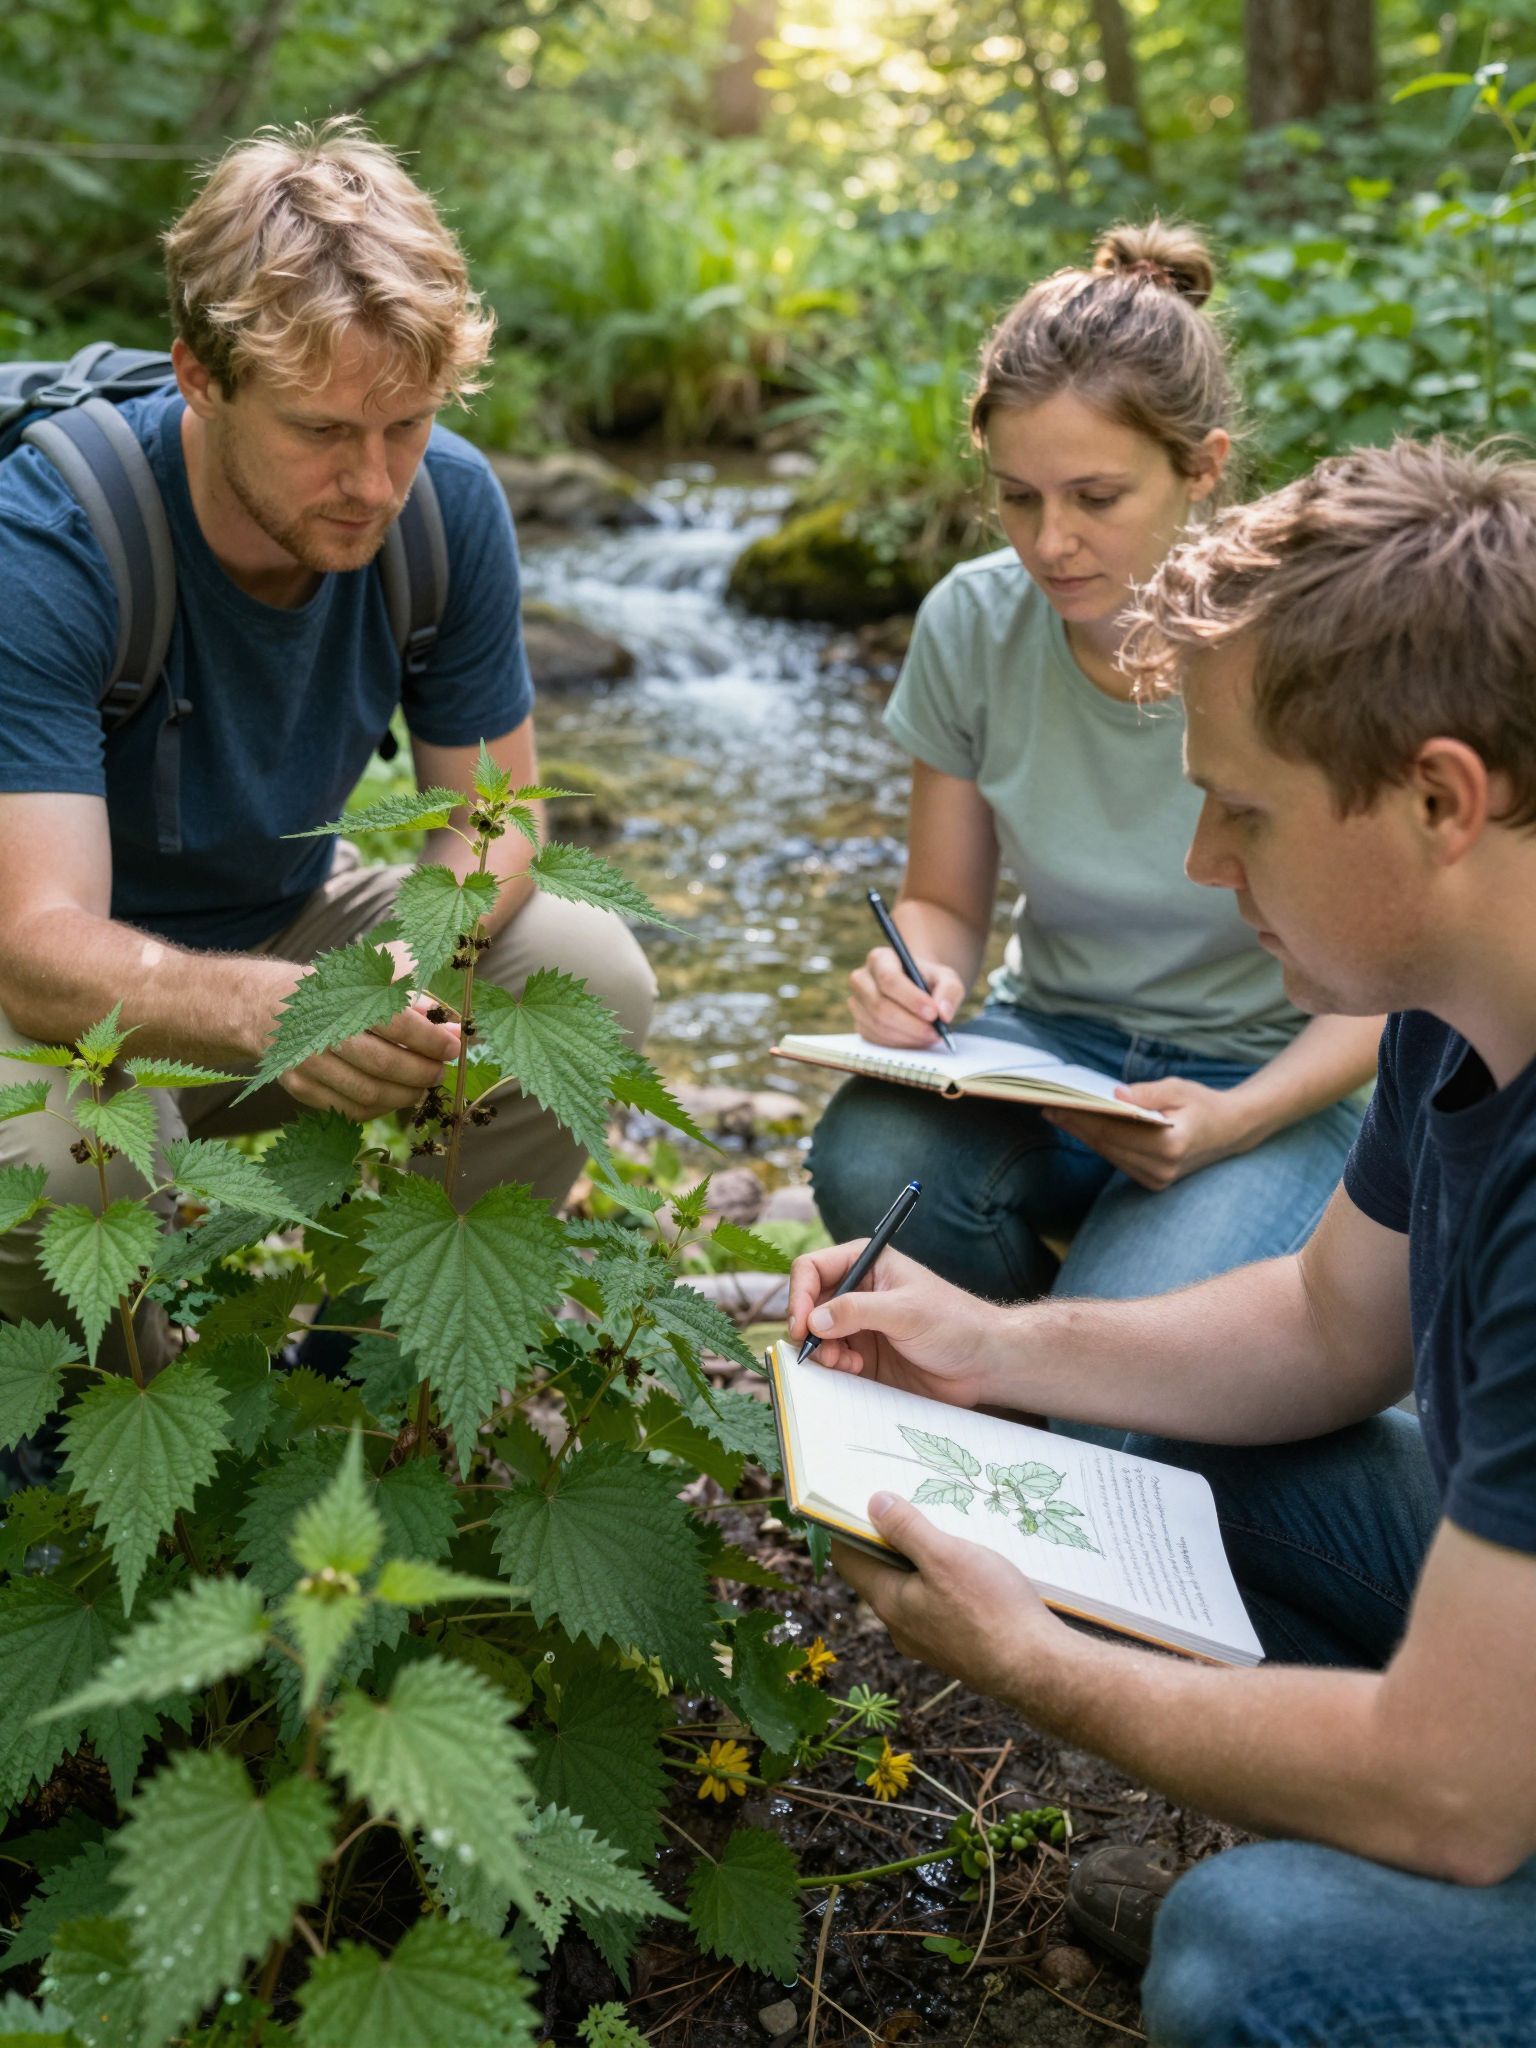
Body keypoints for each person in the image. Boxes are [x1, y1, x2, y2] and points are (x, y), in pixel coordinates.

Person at [788, 438, 1536, 2046]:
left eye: (1242, 812)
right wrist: (990, 1345)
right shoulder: (1452, 1006)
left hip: (1492, 1758)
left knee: (1250, 1964)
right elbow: (1331, 1328)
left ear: (1440, 798)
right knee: (1183, 1466)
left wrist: (1037, 1660)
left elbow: (1463, 1785)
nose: (1206, 865)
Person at [0, 121, 655, 1374]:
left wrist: (413, 954)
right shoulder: (53, 541)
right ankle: (110, 1424)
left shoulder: (445, 504)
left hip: (279, 947)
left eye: (404, 424)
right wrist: (272, 1011)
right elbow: (34, 952)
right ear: (199, 376)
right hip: (53, 1010)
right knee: (50, 1162)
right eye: (320, 432)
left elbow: (501, 816)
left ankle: (370, 1381)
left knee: (587, 972)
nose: (373, 482)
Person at [809, 221, 1380, 1311]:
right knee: (869, 1156)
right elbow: (941, 900)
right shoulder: (973, 624)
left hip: (1268, 1074)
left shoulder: (1309, 644)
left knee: (1127, 1344)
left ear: (1201, 468)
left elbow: (1398, 989)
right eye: (1017, 496)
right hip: (1052, 1051)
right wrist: (917, 978)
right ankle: (1016, 1397)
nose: (1049, 541)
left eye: (1094, 497)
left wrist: (1237, 1118)